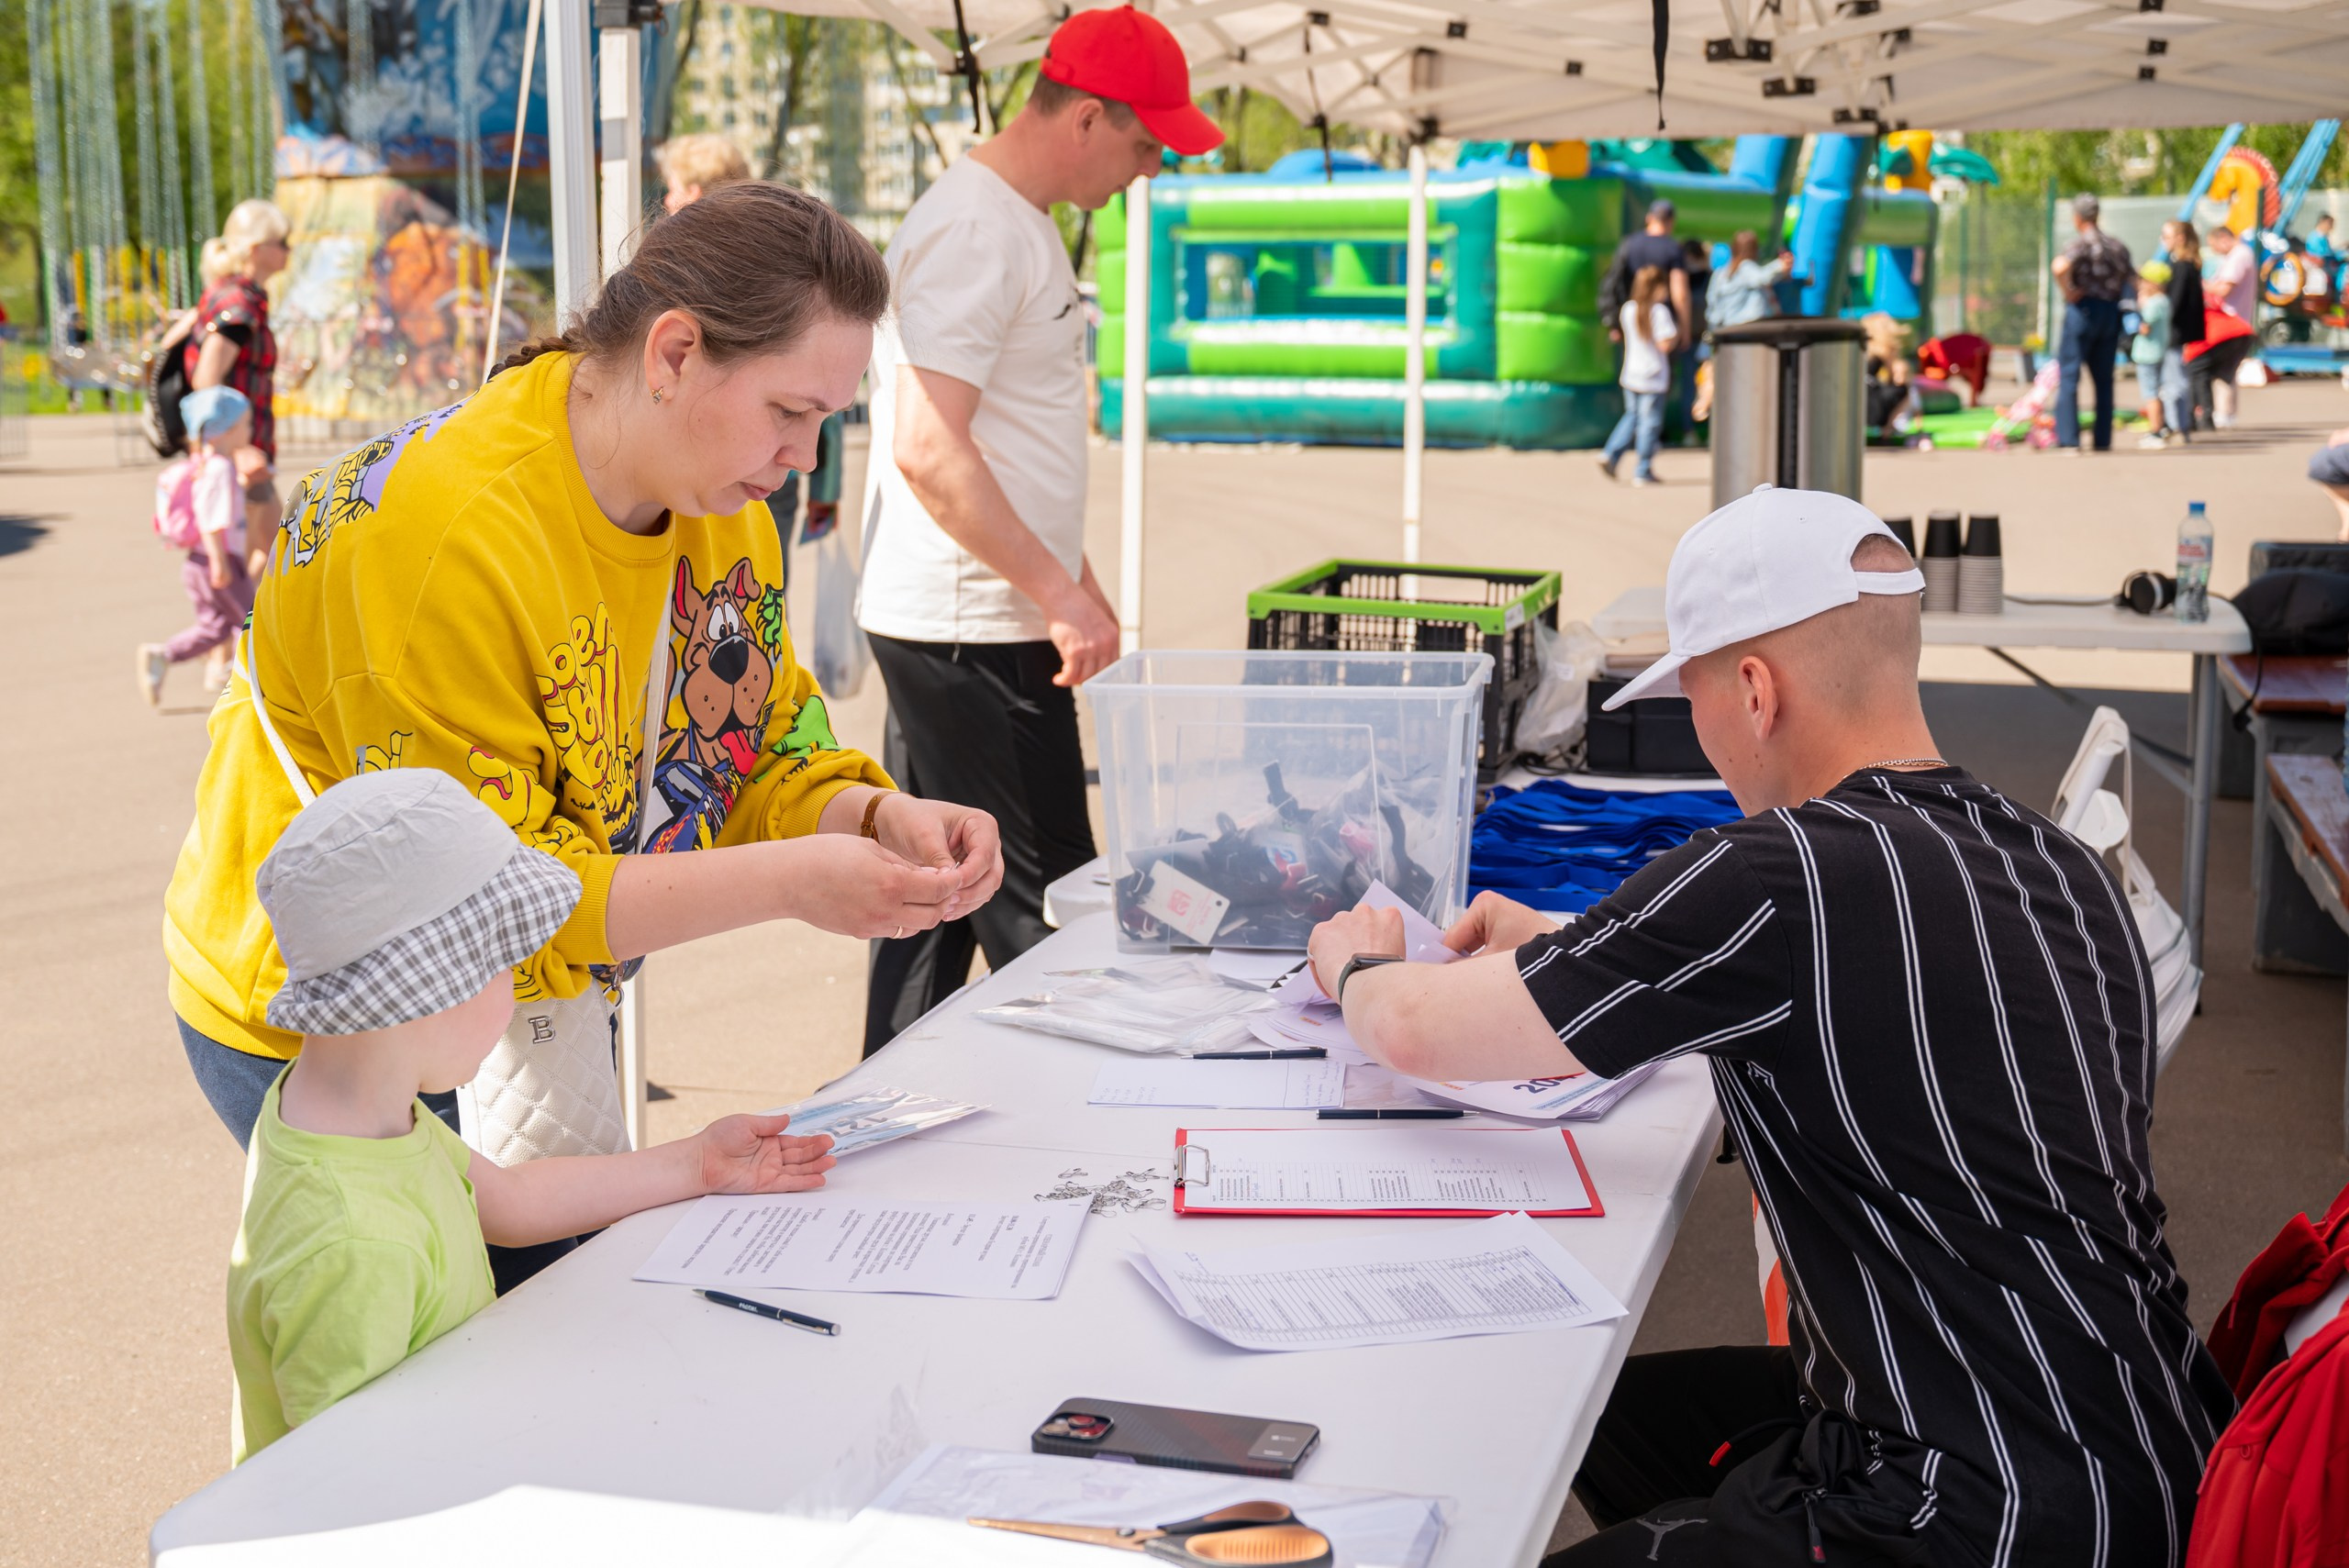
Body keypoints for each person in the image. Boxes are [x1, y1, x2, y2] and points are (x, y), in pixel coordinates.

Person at [1305, 486, 2232, 1566]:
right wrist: (1565, 938)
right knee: (1601, 1409)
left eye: (1694, 700)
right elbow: (1892, 1016)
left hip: (1970, 1505)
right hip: (2150, 1443)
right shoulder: (2051, 864)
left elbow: (1414, 1028)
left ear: (1753, 690)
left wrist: (1356, 963)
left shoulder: (1777, 874)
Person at [165, 184, 1005, 1289]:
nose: (804, 456)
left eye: (827, 421)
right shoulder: (445, 540)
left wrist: (871, 813)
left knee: (542, 1319)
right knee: (420, 1341)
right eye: (790, 411)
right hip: (331, 1021)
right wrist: (796, 879)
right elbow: (495, 906)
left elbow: (748, 746)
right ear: (673, 353)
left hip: (513, 1009)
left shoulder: (723, 501)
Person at [229, 768, 838, 1462]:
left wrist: (697, 1161)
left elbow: (510, 1201)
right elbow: (348, 1484)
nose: (516, 991)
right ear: (428, 989)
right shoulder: (352, 1246)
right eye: (502, 964)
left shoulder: (344, 1112)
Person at [856, 6, 1220, 1055]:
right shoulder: (977, 228)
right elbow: (930, 446)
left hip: (971, 615)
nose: (1151, 169)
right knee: (1047, 906)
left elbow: (1014, 445)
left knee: (930, 897)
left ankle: (878, 1108)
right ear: (1088, 120)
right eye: (1147, 143)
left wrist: (1080, 581)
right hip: (971, 627)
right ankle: (1091, 1130)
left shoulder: (1014, 221)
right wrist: (1056, 593)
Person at [655, 143, 841, 588]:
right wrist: (826, 489)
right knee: (759, 605)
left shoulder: (681, 273)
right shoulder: (783, 261)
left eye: (674, 189)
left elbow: (818, 394)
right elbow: (822, 396)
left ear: (694, 192)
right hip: (739, 478)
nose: (665, 201)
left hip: (716, 473)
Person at [139, 386, 271, 705]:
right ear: (225, 430)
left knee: (214, 629)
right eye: (246, 424)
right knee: (252, 624)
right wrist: (220, 563)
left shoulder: (209, 466)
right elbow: (211, 519)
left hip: (198, 564)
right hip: (219, 559)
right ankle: (257, 691)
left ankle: (163, 655)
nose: (250, 431)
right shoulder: (219, 469)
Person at [186, 199, 291, 548]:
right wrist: (237, 447)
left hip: (243, 454)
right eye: (282, 242)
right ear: (258, 249)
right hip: (239, 457)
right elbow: (207, 378)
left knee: (272, 555)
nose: (288, 250)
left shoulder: (239, 296)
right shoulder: (239, 303)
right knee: (272, 557)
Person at [2049, 192, 2132, 452]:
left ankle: (2069, 439)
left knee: (2070, 376)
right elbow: (2132, 279)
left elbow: (2059, 266)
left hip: (2082, 311)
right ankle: (2102, 440)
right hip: (2110, 313)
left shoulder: (2080, 244)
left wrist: (2067, 290)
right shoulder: (2117, 246)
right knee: (2104, 380)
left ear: (2077, 217)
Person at [1596, 265, 1675, 487]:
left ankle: (1611, 453)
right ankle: (1643, 469)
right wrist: (1676, 336)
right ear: (1656, 287)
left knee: (1632, 417)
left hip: (1631, 373)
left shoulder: (1628, 309)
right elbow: (1665, 344)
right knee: (1649, 424)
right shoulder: (1659, 312)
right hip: (1653, 377)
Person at [2160, 221, 2206, 438]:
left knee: (2174, 381)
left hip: (2174, 333)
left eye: (2166, 236)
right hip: (2183, 332)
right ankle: (2181, 424)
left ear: (2179, 238)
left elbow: (2174, 304)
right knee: (2179, 377)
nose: (2163, 241)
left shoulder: (2181, 266)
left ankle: (2178, 425)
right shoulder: (2191, 264)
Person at [2132, 261, 2181, 449]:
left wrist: (2139, 308)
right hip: (2159, 352)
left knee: (2150, 394)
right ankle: (2162, 427)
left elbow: (2144, 327)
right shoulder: (2165, 301)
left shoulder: (2153, 304)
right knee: (2157, 392)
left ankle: (2156, 431)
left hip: (2147, 355)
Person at [1705, 230, 1790, 333]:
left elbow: (1711, 298)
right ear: (1754, 250)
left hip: (1725, 327)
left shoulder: (1720, 272)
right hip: (1747, 328)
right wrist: (1781, 264)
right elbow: (1762, 278)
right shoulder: (1746, 267)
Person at [657, 132, 751, 215]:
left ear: (693, 193)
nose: (667, 201)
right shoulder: (756, 228)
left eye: (673, 190)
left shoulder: (683, 234)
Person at [2310, 426, 2349, 539]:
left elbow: (2337, 436)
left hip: (2323, 464)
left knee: (2346, 508)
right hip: (2333, 469)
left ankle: (2344, 541)